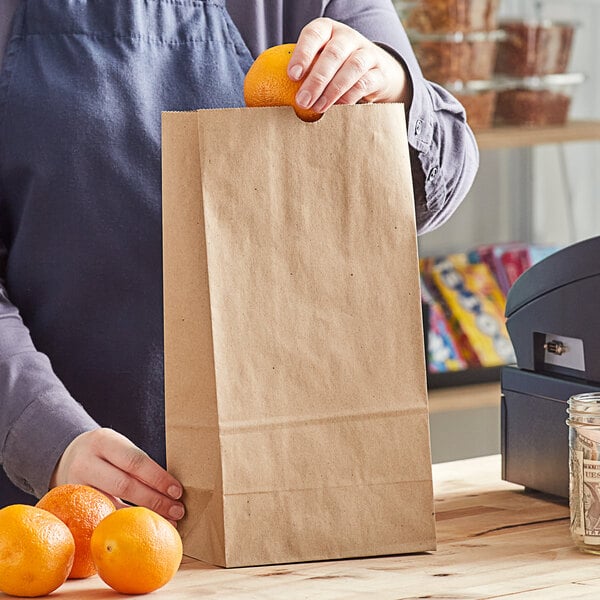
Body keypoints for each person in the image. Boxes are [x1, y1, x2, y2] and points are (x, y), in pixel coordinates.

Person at [0, 0, 478, 522]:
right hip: (56, 504)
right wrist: (45, 434)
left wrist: (394, 89)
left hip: (293, 483)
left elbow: (432, 190)